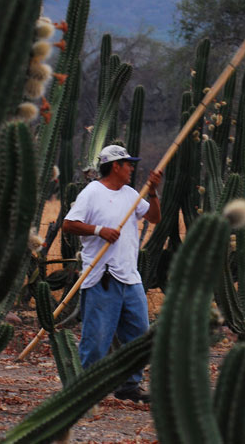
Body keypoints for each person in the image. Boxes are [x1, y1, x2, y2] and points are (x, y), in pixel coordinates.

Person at [62, 144, 162, 403]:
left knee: (139, 334)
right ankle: (86, 388)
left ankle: (129, 386)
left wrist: (153, 192)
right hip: (102, 276)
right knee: (97, 338)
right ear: (115, 166)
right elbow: (69, 224)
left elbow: (154, 217)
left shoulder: (130, 194)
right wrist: (99, 231)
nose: (131, 168)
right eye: (128, 164)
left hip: (130, 276)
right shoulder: (91, 193)